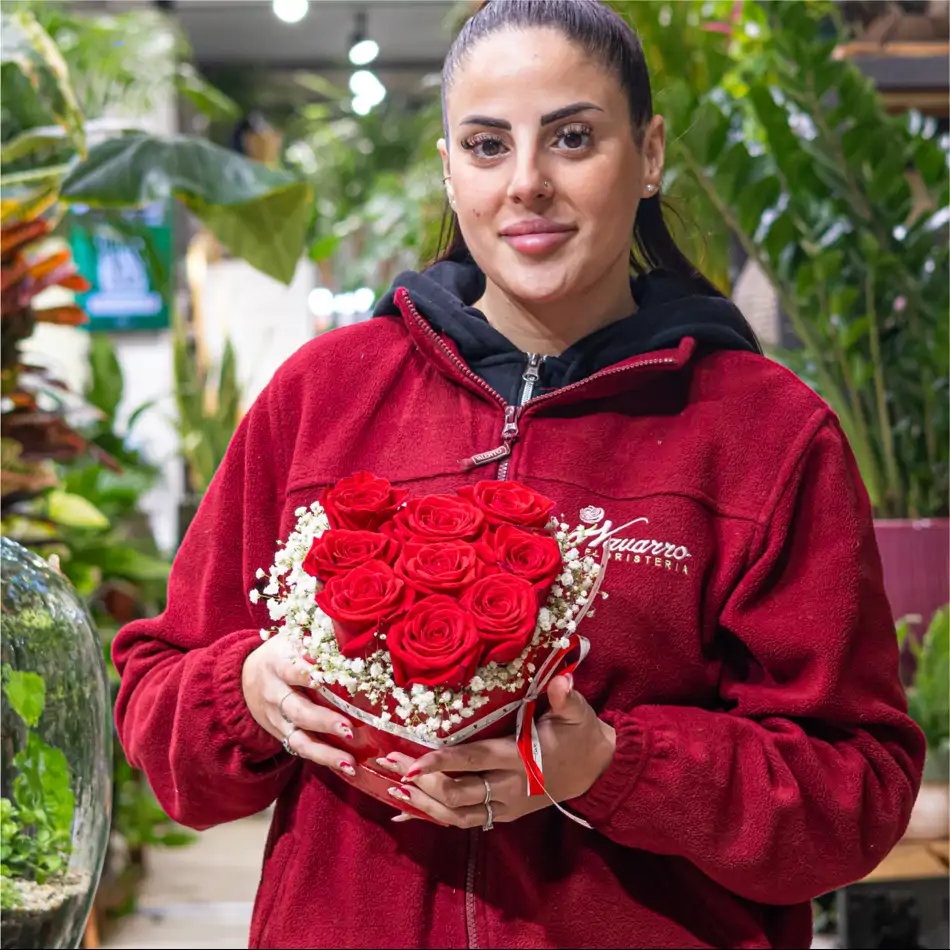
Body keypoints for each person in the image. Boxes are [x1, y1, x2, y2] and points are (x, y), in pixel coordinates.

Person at [112, 2, 923, 948]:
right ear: (451, 172)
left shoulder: (765, 434)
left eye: (573, 138)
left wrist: (613, 767)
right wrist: (248, 692)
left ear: (650, 154)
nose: (527, 183)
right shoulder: (325, 397)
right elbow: (159, 708)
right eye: (488, 145)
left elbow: (856, 792)